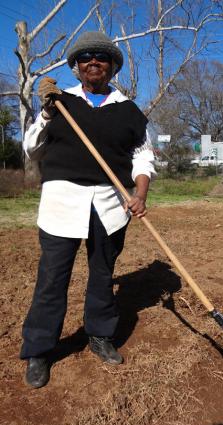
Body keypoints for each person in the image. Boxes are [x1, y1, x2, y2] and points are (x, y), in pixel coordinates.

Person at [20, 31, 156, 389]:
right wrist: (48, 114)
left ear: (112, 66)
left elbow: (143, 157)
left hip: (111, 205)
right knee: (52, 280)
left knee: (102, 275)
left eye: (101, 57)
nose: (93, 62)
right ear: (77, 67)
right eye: (85, 58)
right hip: (62, 203)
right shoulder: (59, 103)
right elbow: (31, 150)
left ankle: (100, 335)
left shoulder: (129, 112)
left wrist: (139, 194)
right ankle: (39, 349)